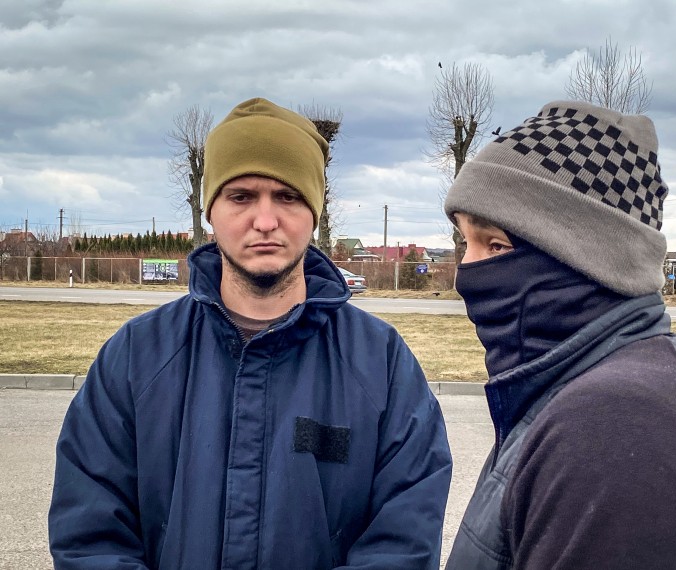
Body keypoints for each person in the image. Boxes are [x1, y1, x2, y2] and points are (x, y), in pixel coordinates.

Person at [49, 98, 452, 569]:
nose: (265, 221)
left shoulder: (381, 364)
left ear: (314, 213)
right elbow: (90, 537)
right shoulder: (137, 356)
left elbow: (403, 543)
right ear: (211, 212)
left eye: (287, 196)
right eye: (241, 196)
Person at [443, 100, 676, 569]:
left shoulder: (620, 422)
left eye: (494, 244)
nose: (464, 271)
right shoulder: (581, 382)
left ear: (583, 256)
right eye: (463, 240)